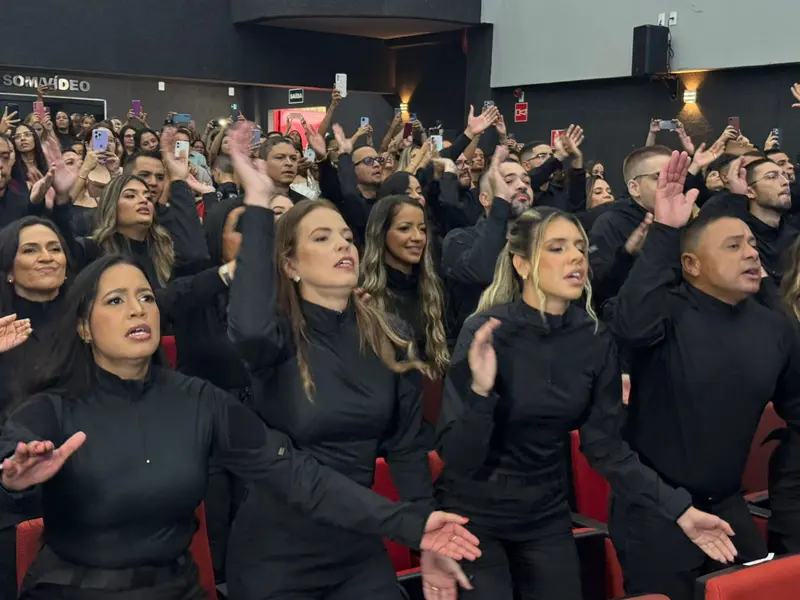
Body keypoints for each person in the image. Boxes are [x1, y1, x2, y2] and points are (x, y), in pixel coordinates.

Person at [0, 254, 481, 600]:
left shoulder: (198, 400)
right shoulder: (51, 408)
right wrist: (14, 481)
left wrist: (412, 523)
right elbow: (12, 452)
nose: (137, 309)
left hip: (176, 588)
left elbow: (297, 474)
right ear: (84, 327)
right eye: (115, 300)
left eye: (146, 296)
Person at [432, 203, 735, 600]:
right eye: (557, 248)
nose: (576, 256)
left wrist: (680, 511)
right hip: (472, 518)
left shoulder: (594, 338)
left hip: (545, 516)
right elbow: (457, 456)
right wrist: (481, 393)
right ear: (522, 264)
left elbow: (606, 448)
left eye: (579, 246)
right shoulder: (485, 331)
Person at [224, 122, 458, 599]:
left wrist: (425, 535)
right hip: (277, 553)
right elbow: (247, 326)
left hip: (357, 544)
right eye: (322, 238)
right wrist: (258, 202)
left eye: (347, 237)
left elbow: (407, 449)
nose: (343, 246)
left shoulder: (390, 335)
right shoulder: (276, 338)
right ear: (290, 265)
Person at [606, 151, 800, 600]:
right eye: (732, 246)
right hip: (655, 508)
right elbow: (630, 325)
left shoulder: (776, 327)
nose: (750, 252)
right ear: (692, 265)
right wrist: (665, 231)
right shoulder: (665, 311)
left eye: (751, 244)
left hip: (727, 504)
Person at [360, 195, 449, 376]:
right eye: (404, 228)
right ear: (381, 233)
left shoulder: (435, 288)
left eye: (422, 229)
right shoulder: (362, 293)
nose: (418, 237)